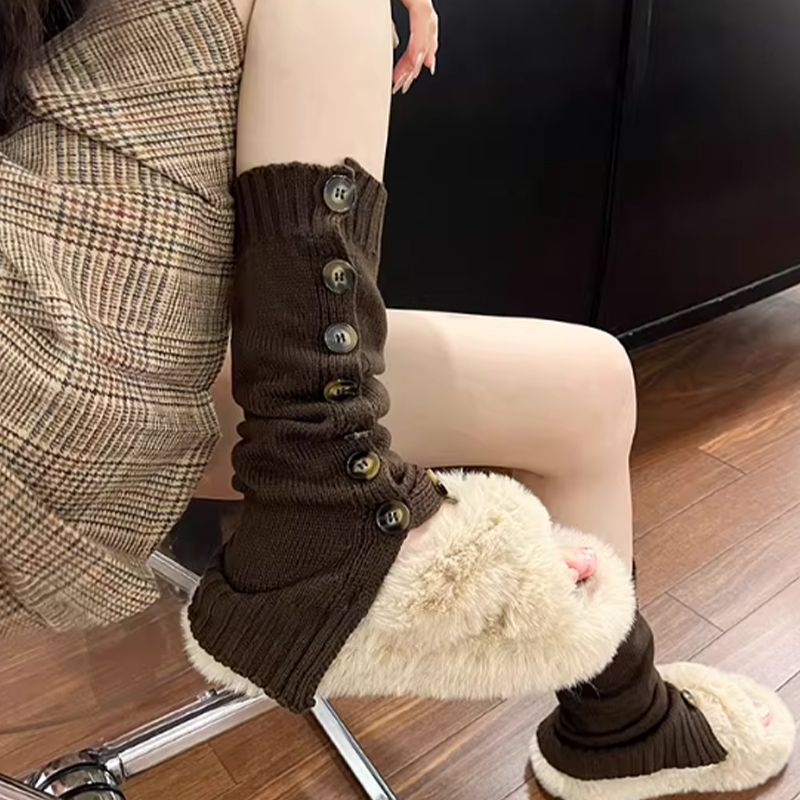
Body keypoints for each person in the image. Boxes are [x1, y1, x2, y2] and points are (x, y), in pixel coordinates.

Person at [0, 2, 794, 800]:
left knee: (592, 386)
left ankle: (619, 723)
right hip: (42, 379)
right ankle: (324, 496)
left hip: (114, 336)